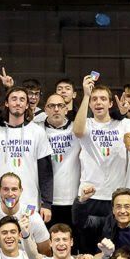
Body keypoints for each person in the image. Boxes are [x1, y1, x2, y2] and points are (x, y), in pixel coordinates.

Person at [72, 74, 130, 248]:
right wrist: (85, 95)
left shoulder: (124, 124)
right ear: (90, 104)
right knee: (88, 247)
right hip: (89, 194)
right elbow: (77, 131)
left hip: (115, 197)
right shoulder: (87, 123)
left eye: (103, 99)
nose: (98, 102)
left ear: (110, 103)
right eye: (94, 99)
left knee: (115, 249)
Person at [0, 86, 53, 213]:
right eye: (14, 99)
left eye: (22, 99)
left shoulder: (37, 132)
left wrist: (47, 204)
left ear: (27, 105)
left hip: (29, 202)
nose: (18, 103)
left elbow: (45, 171)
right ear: (6, 103)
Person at [40, 93, 82, 227]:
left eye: (60, 106)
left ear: (66, 109)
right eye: (51, 106)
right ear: (45, 110)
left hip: (72, 199)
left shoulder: (77, 129)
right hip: (46, 202)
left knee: (71, 244)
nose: (56, 109)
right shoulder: (37, 130)